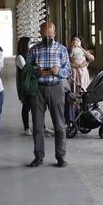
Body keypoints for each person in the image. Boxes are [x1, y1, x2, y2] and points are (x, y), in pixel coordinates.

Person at [26, 22, 71, 167]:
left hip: (56, 87)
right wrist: (35, 71)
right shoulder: (34, 50)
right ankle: (39, 157)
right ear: (40, 34)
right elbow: (27, 69)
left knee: (59, 125)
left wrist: (59, 72)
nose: (47, 39)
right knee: (38, 126)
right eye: (45, 36)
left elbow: (68, 70)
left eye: (50, 36)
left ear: (55, 33)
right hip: (38, 89)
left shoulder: (61, 49)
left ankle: (60, 156)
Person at [15, 36, 35, 135]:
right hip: (26, 85)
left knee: (36, 106)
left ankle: (41, 126)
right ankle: (26, 127)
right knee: (26, 106)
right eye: (29, 43)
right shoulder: (20, 57)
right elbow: (26, 69)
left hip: (33, 83)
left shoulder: (30, 55)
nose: (31, 45)